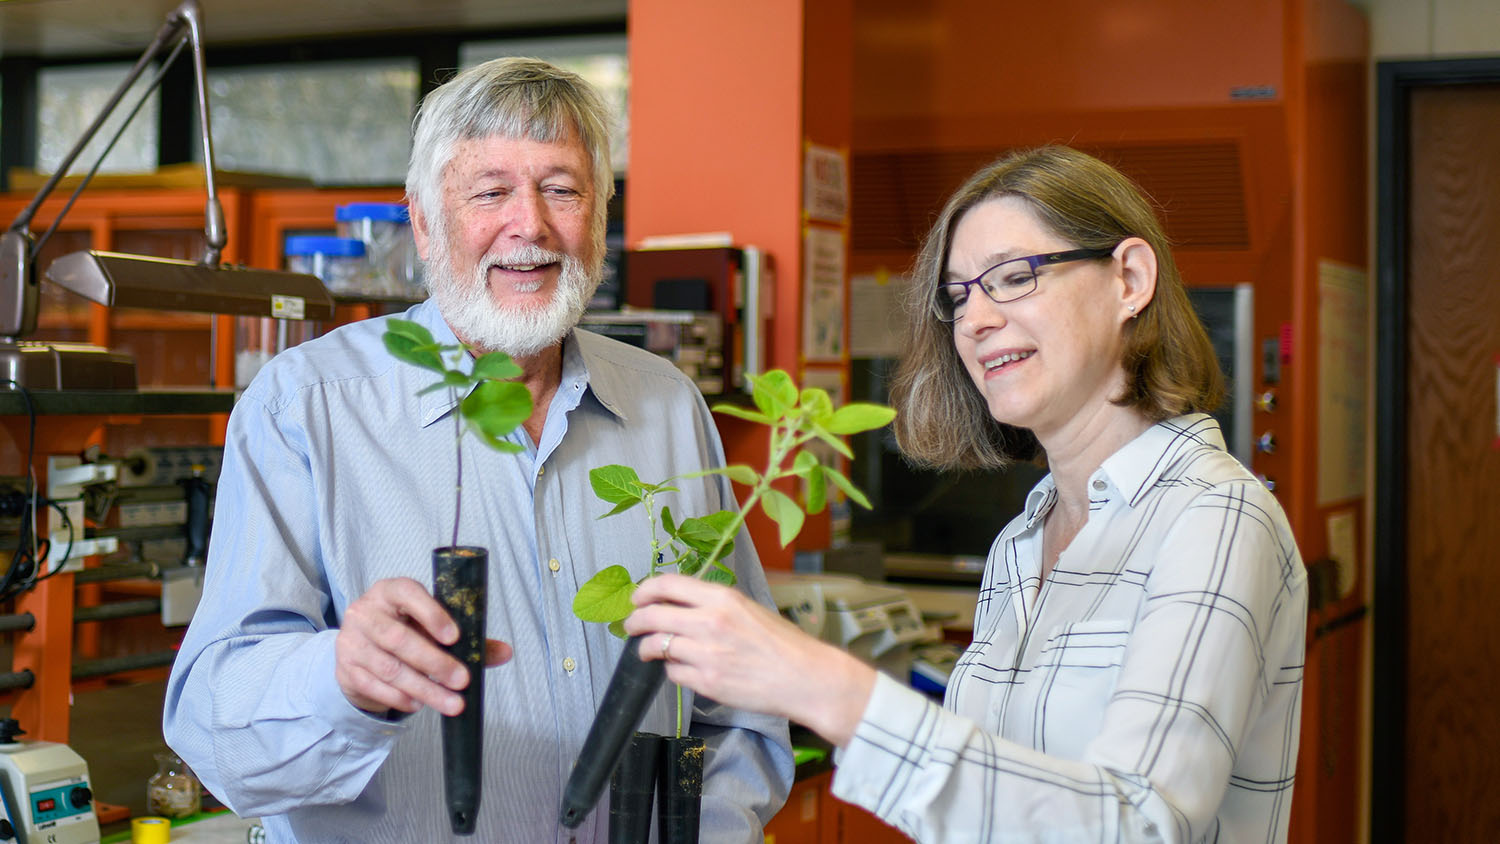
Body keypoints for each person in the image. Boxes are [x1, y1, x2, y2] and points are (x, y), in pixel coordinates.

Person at [163, 57, 793, 842]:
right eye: (490, 191)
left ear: (598, 221)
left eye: (561, 188)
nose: (528, 225)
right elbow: (211, 723)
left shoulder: (666, 403)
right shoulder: (307, 408)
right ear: (426, 224)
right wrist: (340, 678)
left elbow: (740, 701)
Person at [625, 145, 1307, 842]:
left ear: (1129, 279)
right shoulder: (1022, 542)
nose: (975, 320)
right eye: (958, 296)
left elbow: (1141, 825)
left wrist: (827, 688)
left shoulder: (1214, 518)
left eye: (1014, 277)